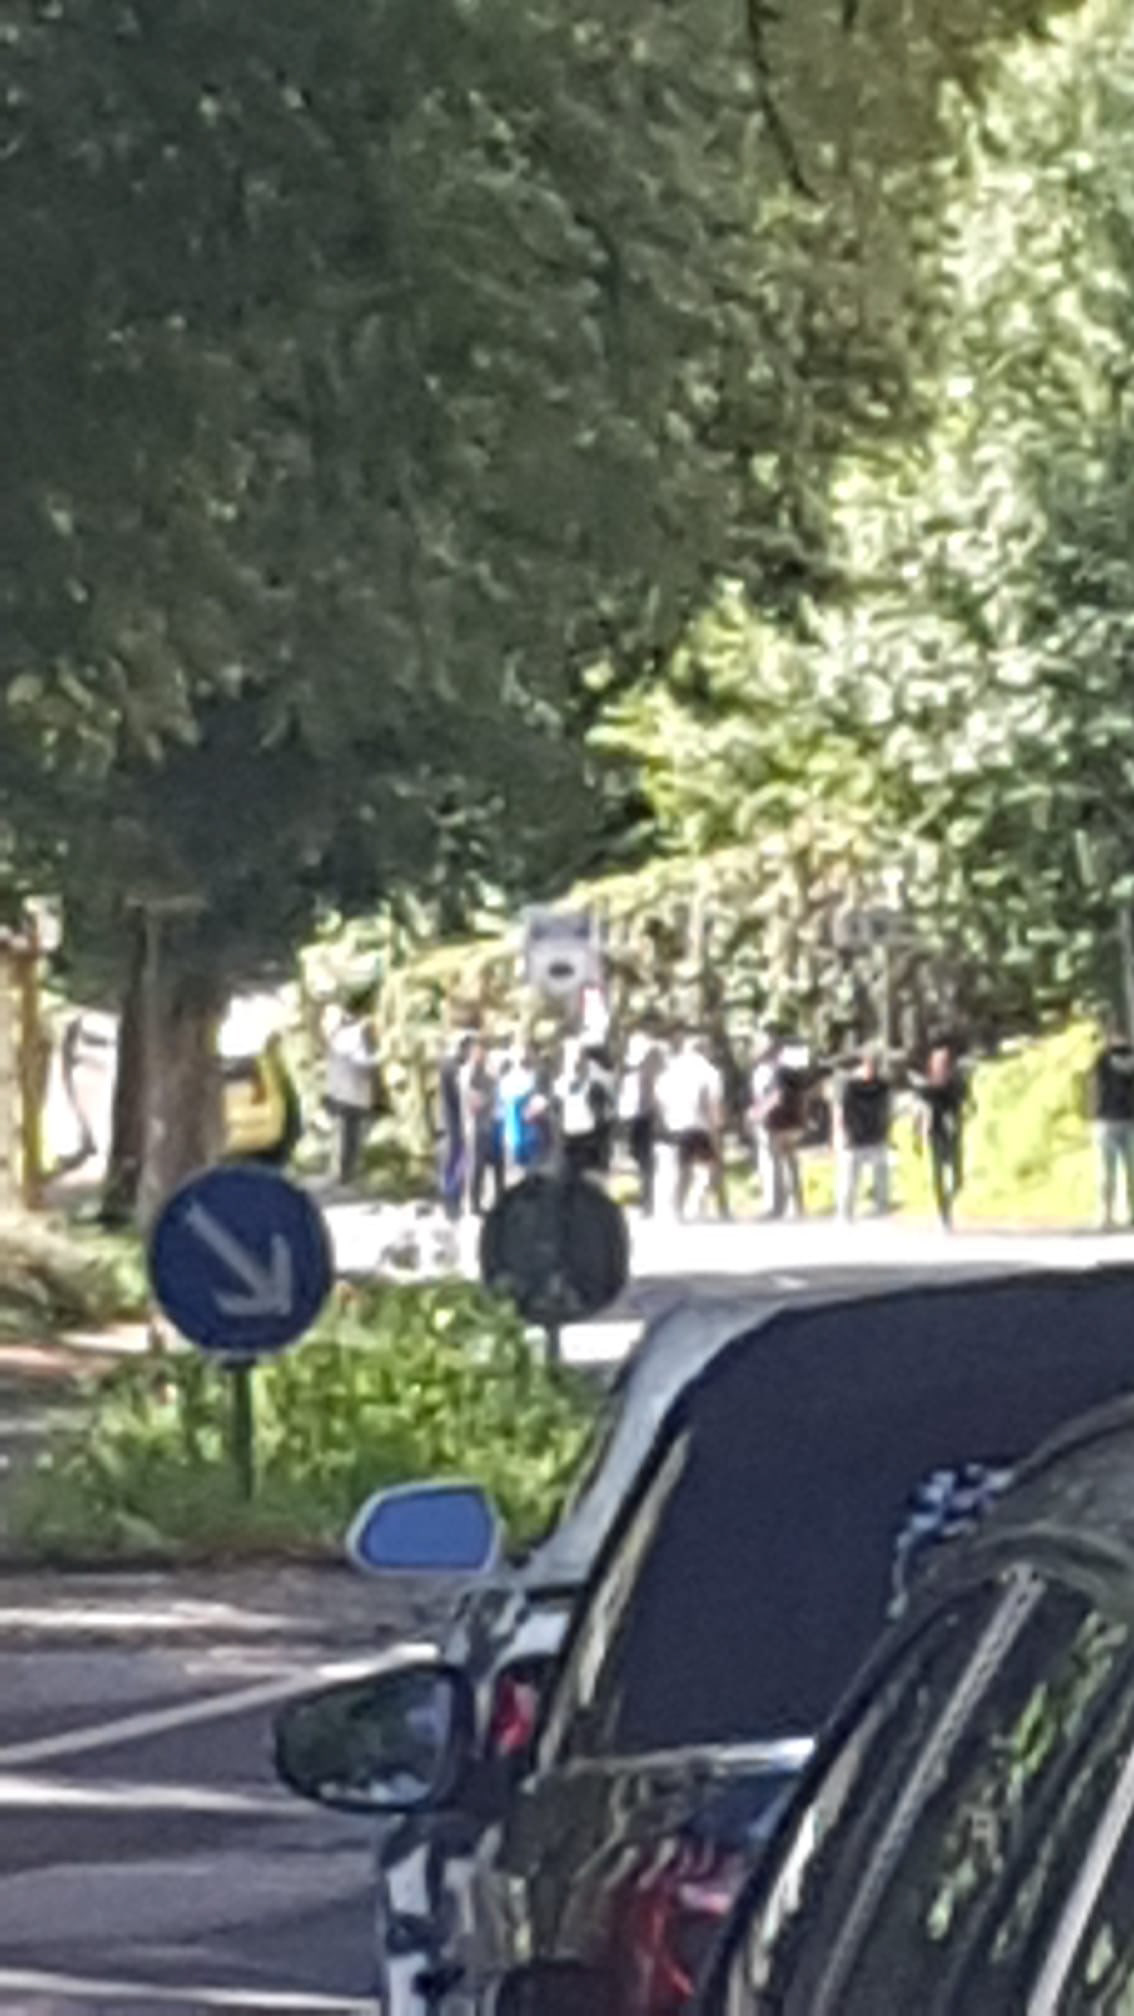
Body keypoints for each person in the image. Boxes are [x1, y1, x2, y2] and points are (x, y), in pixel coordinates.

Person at [656, 1032, 728, 1220]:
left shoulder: (671, 1070)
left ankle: (678, 1209)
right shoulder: (709, 1071)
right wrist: (715, 1127)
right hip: (699, 1124)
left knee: (683, 1168)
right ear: (705, 1049)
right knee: (712, 1166)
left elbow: (660, 1099)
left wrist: (665, 1121)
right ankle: (703, 1206)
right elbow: (709, 1102)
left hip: (675, 1124)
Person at [910, 1041, 969, 1229]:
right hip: (934, 1134)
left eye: (945, 1062)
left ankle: (948, 1204)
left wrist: (962, 1115)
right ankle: (943, 1214)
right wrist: (917, 1136)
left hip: (953, 1133)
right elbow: (918, 1112)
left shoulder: (956, 1085)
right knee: (938, 1175)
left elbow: (966, 1104)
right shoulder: (925, 1088)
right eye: (938, 1062)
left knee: (958, 1179)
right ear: (932, 1064)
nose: (942, 1066)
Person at [751, 1031, 809, 1220]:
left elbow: (775, 1097)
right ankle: (796, 1205)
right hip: (791, 1122)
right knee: (790, 1163)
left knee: (772, 1165)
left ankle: (775, 1206)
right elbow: (802, 1095)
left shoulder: (767, 1071)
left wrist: (756, 1114)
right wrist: (803, 1119)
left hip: (773, 1123)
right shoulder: (790, 1069)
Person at [326, 994, 380, 1184]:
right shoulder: (359, 1030)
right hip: (353, 1090)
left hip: (337, 1089)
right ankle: (346, 1173)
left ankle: (341, 1172)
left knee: (342, 1133)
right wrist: (382, 1057)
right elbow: (362, 1060)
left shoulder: (337, 1029)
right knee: (352, 1135)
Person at [836, 1047, 893, 1221]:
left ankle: (881, 1209)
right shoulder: (850, 1084)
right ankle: (845, 1213)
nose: (872, 1069)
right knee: (849, 1179)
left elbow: (887, 1109)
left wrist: (887, 1131)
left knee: (882, 1177)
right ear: (863, 1063)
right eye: (870, 1064)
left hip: (876, 1135)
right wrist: (840, 1133)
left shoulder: (882, 1085)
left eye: (875, 1065)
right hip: (854, 1136)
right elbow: (840, 1110)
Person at [1090, 1015, 1134, 1230]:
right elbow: (1094, 1087)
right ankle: (1106, 1215)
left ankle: (1114, 1215)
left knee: (1120, 1171)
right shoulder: (1102, 1059)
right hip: (1109, 1120)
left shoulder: (1104, 1058)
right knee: (1108, 1172)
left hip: (1120, 1120)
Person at [619, 1031, 664, 1215]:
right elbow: (636, 1102)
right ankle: (647, 1200)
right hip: (639, 1120)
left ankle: (648, 1201)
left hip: (642, 1119)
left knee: (647, 1162)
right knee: (644, 1161)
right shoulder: (635, 1078)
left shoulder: (642, 1077)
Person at [461, 1038, 504, 1215]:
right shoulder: (468, 1073)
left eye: (483, 1051)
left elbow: (496, 1093)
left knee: (498, 1163)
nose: (482, 1055)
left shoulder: (489, 1071)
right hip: (478, 1125)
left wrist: (494, 1082)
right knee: (478, 1166)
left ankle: (500, 1199)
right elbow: (474, 1103)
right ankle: (475, 1204)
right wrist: (488, 1096)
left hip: (493, 1122)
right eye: (478, 1051)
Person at [438, 1034, 472, 1220]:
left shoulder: (453, 1065)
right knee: (454, 1160)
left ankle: (454, 1199)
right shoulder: (451, 1066)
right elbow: (459, 1093)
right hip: (452, 1122)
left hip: (456, 1120)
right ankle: (450, 1201)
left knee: (459, 1160)